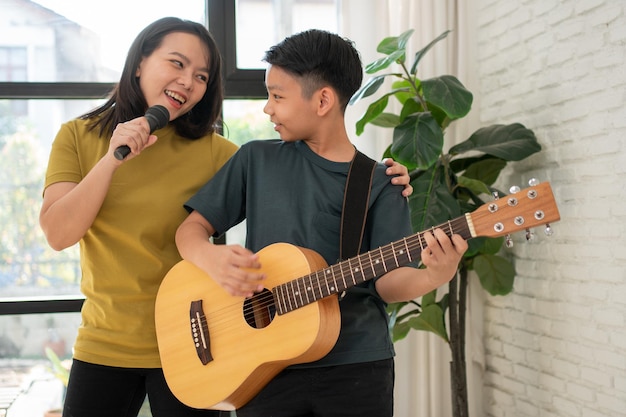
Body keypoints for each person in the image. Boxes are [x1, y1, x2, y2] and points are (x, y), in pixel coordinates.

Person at [39, 18, 413, 417]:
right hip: (105, 343)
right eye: (177, 64)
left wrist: (381, 179)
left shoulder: (223, 154)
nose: (188, 81)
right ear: (139, 63)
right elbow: (60, 234)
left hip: (203, 349)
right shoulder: (77, 137)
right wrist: (112, 159)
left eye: (201, 76)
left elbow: (303, 178)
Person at [175, 29, 469, 417]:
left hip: (356, 367)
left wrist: (435, 275)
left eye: (277, 96)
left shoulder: (382, 182)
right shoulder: (256, 161)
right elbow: (189, 230)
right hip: (264, 363)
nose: (267, 108)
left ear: (323, 100)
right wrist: (209, 259)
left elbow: (389, 283)